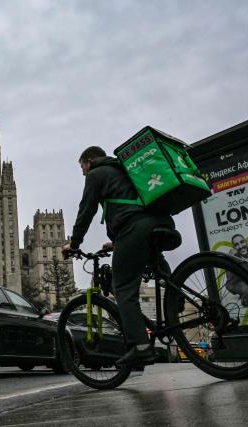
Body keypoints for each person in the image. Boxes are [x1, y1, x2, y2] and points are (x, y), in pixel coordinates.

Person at [62, 146, 176, 367]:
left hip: (135, 228)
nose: (83, 173)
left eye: (82, 167)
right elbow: (132, 205)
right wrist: (116, 242)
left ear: (90, 160)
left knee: (122, 287)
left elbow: (86, 210)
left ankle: (140, 348)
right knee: (160, 273)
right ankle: (173, 307)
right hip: (159, 223)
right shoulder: (126, 169)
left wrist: (74, 244)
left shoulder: (96, 173)